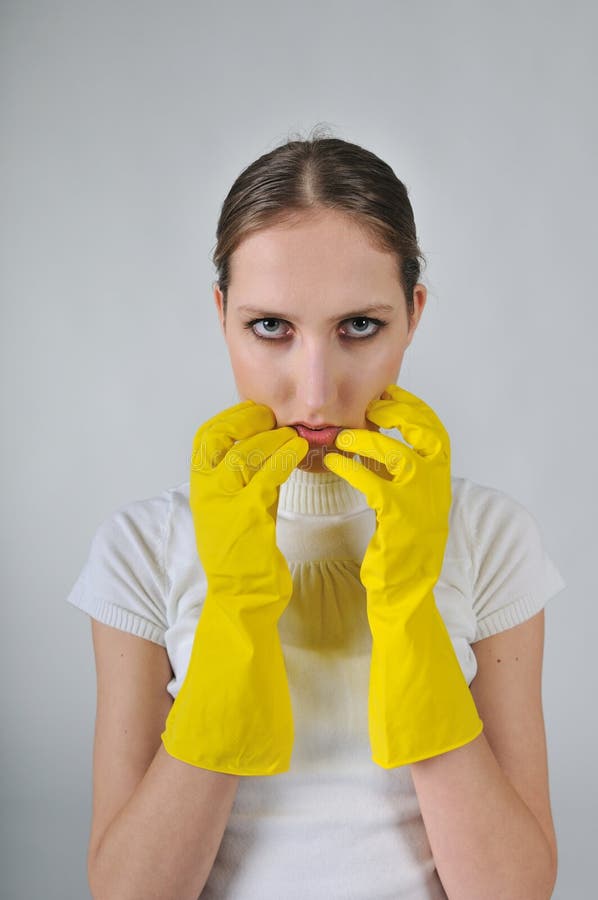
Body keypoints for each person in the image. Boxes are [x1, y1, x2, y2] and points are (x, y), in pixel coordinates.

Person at [66, 129, 566, 899]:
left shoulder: (490, 536)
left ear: (414, 312)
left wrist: (408, 611)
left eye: (358, 327)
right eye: (271, 327)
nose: (314, 392)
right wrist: (235, 614)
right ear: (221, 312)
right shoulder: (142, 547)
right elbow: (129, 891)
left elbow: (515, 891)